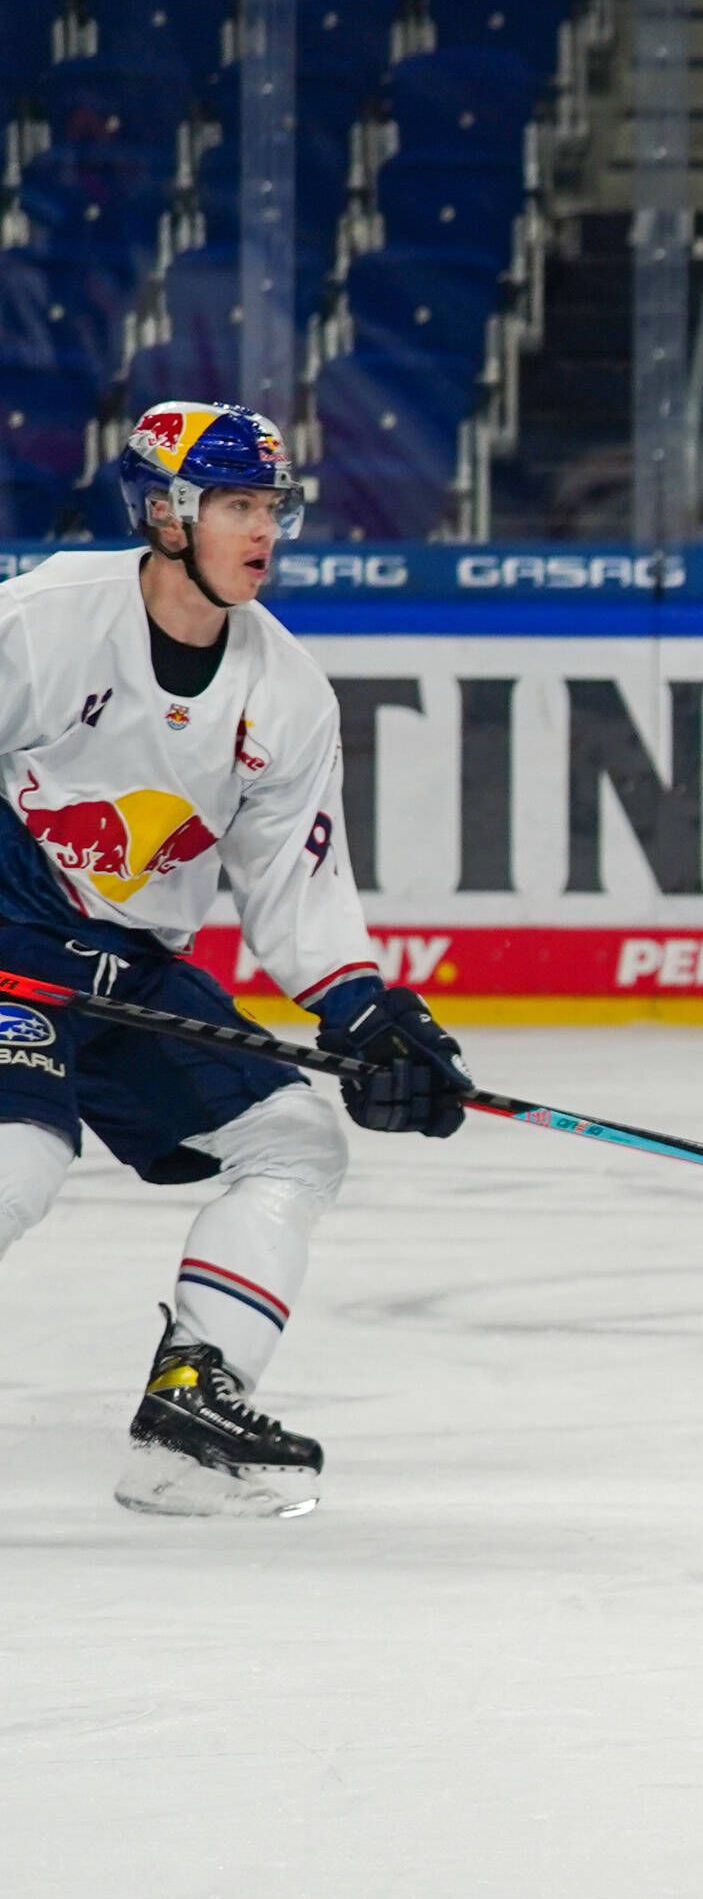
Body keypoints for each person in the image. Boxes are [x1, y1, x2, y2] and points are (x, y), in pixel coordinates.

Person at [0, 402, 474, 1516]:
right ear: (165, 515)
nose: (263, 531)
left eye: (272, 508)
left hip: (126, 960)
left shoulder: (287, 692)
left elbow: (296, 886)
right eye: (237, 507)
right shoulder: (49, 617)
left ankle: (188, 1413)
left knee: (294, 1140)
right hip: (11, 918)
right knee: (18, 1155)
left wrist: (368, 1018)